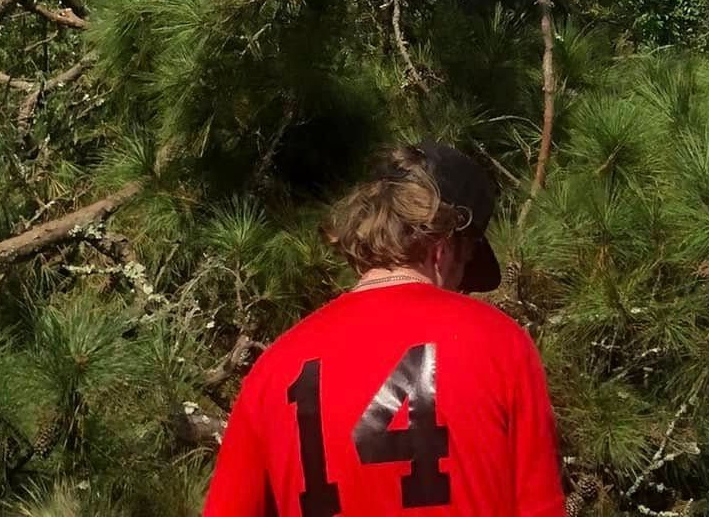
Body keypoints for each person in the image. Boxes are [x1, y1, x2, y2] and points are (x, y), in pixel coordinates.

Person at [202, 141, 566, 517]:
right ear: (443, 245)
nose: (461, 287)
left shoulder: (274, 370)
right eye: (467, 264)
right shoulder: (501, 344)